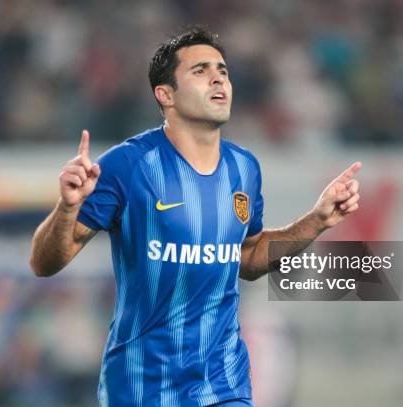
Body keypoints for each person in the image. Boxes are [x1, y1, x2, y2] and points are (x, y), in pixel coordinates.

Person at [29, 27, 361, 407]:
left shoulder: (244, 169)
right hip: (141, 388)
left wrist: (316, 221)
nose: (219, 77)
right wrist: (67, 208)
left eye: (222, 69)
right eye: (200, 70)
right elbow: (44, 262)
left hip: (223, 386)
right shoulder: (129, 165)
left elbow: (249, 258)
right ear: (165, 94)